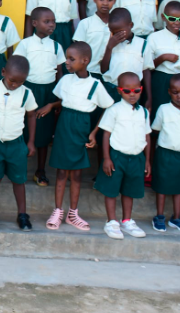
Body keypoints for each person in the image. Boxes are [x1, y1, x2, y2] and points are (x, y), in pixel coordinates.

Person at [46, 42, 114, 231]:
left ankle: (73, 214)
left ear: (85, 61)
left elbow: (108, 107)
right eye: (67, 58)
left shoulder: (95, 85)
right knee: (61, 172)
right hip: (64, 126)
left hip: (82, 127)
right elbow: (62, 102)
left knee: (76, 174)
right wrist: (51, 106)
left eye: (71, 59)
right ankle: (58, 211)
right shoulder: (65, 80)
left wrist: (94, 132)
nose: (67, 62)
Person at [0, 56, 38, 231]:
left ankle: (22, 214)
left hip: (16, 144)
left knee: (19, 181)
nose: (15, 85)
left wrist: (31, 141)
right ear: (3, 72)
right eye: (12, 80)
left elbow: (31, 116)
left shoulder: (26, 93)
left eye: (20, 82)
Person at [95, 72, 151, 240]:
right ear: (120, 91)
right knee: (111, 190)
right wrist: (107, 158)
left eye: (136, 90)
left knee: (129, 191)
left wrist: (147, 160)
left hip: (136, 158)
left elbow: (147, 136)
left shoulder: (144, 112)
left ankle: (127, 220)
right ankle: (111, 221)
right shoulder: (114, 110)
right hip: (117, 157)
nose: (132, 94)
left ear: (141, 90)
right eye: (127, 91)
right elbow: (106, 134)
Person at [14, 7, 65, 187]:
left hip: (48, 92)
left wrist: (57, 98)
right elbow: (18, 67)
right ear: (34, 23)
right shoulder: (25, 44)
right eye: (47, 21)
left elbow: (59, 72)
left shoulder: (56, 46)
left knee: (44, 132)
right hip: (28, 90)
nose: (52, 25)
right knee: (22, 129)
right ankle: (18, 168)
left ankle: (40, 170)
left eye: (53, 21)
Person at [151, 74, 180, 234]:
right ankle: (159, 216)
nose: (179, 96)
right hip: (165, 153)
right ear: (169, 92)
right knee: (162, 187)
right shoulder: (163, 109)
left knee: (178, 187)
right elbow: (155, 129)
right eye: (175, 92)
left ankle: (176, 218)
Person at [143, 1, 180, 119]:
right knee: (158, 118)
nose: (177, 22)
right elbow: (147, 67)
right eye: (172, 19)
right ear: (163, 17)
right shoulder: (154, 38)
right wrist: (163, 58)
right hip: (161, 81)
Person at [101, 8, 148, 102]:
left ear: (131, 25)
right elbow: (103, 70)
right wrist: (109, 47)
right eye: (113, 32)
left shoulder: (143, 44)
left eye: (120, 31)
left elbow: (146, 70)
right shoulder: (108, 42)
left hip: (132, 93)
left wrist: (149, 97)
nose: (116, 35)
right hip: (112, 89)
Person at [73, 0, 115, 85]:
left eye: (109, 0)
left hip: (110, 75)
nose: (105, 3)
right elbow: (78, 50)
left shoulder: (116, 25)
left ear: (114, 1)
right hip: (89, 72)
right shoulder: (85, 23)